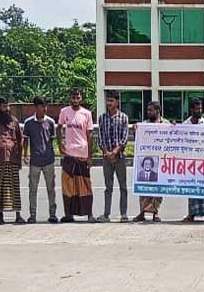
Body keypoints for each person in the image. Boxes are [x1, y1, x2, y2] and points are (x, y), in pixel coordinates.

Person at [58, 88, 96, 223]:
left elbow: (90, 135)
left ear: (81, 98)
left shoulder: (86, 114)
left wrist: (90, 156)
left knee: (85, 186)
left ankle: (89, 214)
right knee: (67, 185)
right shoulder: (64, 112)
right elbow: (59, 127)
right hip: (69, 154)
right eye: (73, 98)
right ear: (70, 98)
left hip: (82, 154)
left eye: (77, 98)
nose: (75, 100)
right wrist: (60, 145)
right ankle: (68, 214)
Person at [0, 96, 25, 225]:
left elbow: (20, 140)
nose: (7, 109)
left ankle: (18, 215)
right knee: (0, 187)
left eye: (8, 106)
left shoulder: (14, 121)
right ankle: (0, 215)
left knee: (15, 187)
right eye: (4, 106)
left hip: (12, 157)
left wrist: (19, 157)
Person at [22, 96, 58, 223]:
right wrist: (25, 154)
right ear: (36, 107)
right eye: (42, 106)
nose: (45, 109)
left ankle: (52, 214)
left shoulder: (51, 122)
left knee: (51, 188)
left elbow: (52, 139)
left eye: (45, 106)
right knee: (33, 189)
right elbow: (25, 139)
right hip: (35, 161)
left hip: (48, 160)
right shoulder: (29, 123)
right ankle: (32, 214)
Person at [132, 101, 167, 222]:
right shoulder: (144, 125)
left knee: (158, 188)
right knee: (144, 187)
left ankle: (155, 212)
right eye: (148, 110)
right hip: (146, 158)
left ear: (157, 111)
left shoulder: (165, 124)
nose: (148, 112)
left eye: (150, 110)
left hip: (161, 160)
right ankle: (142, 211)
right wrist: (135, 130)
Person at [97, 90, 130, 223]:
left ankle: (123, 214)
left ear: (117, 102)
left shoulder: (123, 118)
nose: (108, 103)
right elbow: (100, 137)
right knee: (108, 187)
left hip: (119, 157)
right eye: (108, 101)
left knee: (123, 186)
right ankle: (106, 214)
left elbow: (124, 138)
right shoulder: (102, 118)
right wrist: (107, 153)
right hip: (106, 158)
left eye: (111, 101)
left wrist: (115, 152)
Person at [182, 97, 204, 223]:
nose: (199, 110)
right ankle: (191, 214)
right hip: (191, 162)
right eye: (197, 108)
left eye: (201, 108)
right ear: (191, 110)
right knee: (192, 188)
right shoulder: (185, 125)